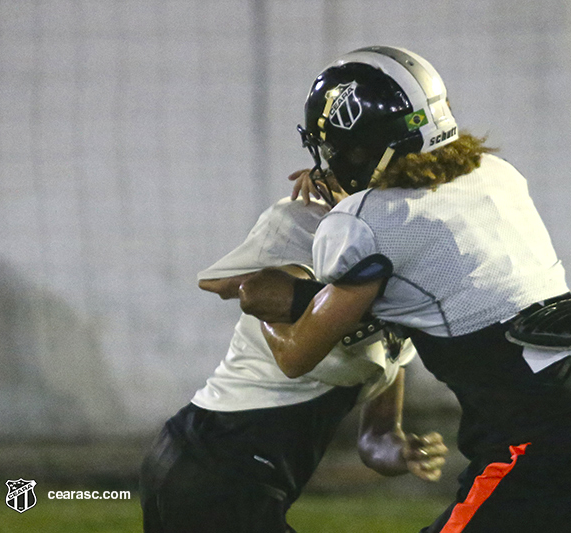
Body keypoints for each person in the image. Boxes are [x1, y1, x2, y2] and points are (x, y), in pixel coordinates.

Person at [252, 46, 571, 532]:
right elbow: (427, 240)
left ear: (362, 148)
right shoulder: (496, 176)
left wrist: (257, 295)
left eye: (340, 150)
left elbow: (296, 355)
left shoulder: (366, 224)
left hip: (542, 454)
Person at [139, 172, 447, 533]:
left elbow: (376, 438)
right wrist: (341, 219)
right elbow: (224, 284)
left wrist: (405, 453)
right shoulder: (307, 238)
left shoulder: (399, 321)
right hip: (220, 462)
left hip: (237, 475)